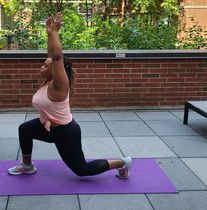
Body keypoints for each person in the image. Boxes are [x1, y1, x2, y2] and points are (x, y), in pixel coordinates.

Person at [8, 12, 132, 179]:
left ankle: (121, 163)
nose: (41, 67)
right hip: (49, 127)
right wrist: (50, 33)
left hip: (66, 132)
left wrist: (56, 32)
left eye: (45, 66)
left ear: (55, 71)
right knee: (25, 130)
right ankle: (27, 165)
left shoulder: (59, 85)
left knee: (82, 170)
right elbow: (52, 55)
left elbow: (57, 57)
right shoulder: (48, 81)